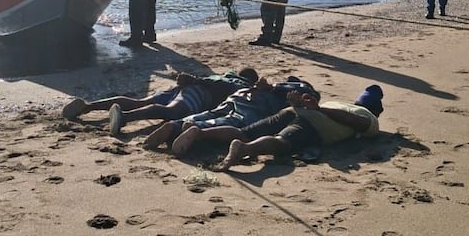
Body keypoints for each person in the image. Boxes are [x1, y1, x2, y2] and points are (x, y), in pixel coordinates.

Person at [181, 85, 385, 170]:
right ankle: (245, 149)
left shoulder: (339, 102)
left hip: (295, 111)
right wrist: (320, 110)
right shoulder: (369, 118)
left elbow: (343, 114)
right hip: (315, 125)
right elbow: (356, 122)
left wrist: (303, 105)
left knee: (245, 132)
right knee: (282, 142)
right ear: (374, 110)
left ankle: (200, 132)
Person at [142, 77, 320, 155]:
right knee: (226, 122)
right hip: (257, 108)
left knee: (210, 114)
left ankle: (175, 125)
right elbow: (299, 109)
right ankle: (189, 130)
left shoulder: (277, 84)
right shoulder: (302, 90)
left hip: (238, 97)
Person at [61, 68, 259, 137]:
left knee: (140, 101)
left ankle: (87, 106)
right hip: (199, 93)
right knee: (170, 111)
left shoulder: (223, 74)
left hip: (187, 86)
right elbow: (224, 89)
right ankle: (124, 118)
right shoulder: (238, 83)